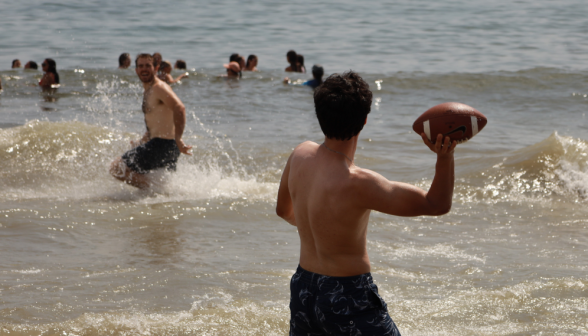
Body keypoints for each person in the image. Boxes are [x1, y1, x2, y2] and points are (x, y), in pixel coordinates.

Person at [276, 71, 457, 335]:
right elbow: (436, 204)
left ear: (319, 114)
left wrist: (315, 227)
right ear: (364, 120)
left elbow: (283, 210)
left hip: (303, 289)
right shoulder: (359, 183)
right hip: (347, 296)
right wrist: (445, 157)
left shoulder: (299, 154)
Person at [109, 54, 192, 189]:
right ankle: (160, 194)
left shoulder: (159, 87)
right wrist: (142, 141)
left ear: (156, 68)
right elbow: (157, 122)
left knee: (117, 168)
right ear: (136, 70)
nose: (144, 69)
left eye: (148, 65)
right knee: (149, 176)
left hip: (163, 145)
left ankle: (155, 191)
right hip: (167, 147)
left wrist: (179, 138)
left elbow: (180, 108)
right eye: (140, 66)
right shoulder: (149, 90)